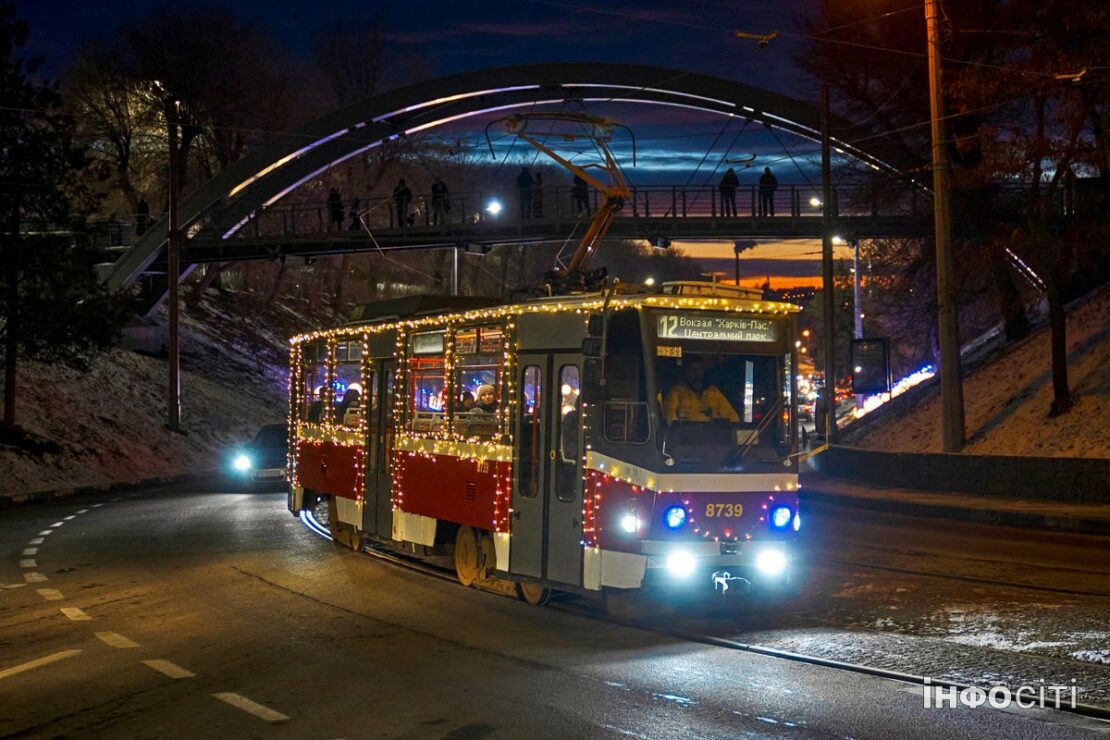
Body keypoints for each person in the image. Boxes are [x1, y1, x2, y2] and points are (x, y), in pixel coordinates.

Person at [664, 356, 739, 424]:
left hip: (713, 435)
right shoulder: (677, 392)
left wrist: (713, 414)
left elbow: (732, 416)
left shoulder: (713, 391)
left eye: (700, 369)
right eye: (693, 369)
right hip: (687, 436)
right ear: (686, 371)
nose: (697, 372)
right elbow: (670, 415)